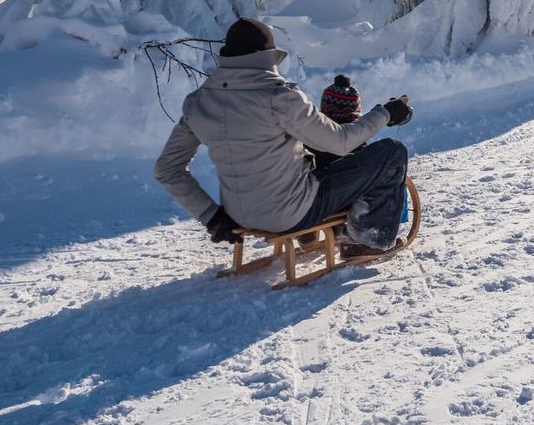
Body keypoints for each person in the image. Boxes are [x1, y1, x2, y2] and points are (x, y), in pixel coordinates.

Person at [153, 18, 413, 257]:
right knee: (391, 152)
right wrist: (386, 113)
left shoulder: (198, 102)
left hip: (237, 217)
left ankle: (313, 233)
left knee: (307, 159)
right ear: (266, 57)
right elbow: (341, 142)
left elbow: (167, 169)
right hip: (292, 212)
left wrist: (211, 215)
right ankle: (367, 240)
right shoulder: (278, 97)